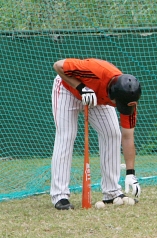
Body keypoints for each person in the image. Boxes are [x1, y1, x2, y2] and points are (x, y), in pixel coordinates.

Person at [51, 58, 142, 210]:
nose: (117, 107)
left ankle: (112, 192)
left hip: (97, 98)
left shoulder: (129, 100)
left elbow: (128, 136)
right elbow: (58, 65)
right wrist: (81, 87)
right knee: (66, 136)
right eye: (116, 104)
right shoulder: (95, 70)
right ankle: (60, 196)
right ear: (112, 93)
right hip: (68, 89)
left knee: (112, 133)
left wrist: (130, 173)